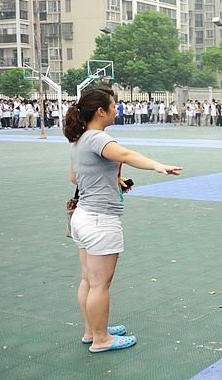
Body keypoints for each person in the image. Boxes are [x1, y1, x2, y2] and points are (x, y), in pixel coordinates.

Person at [64, 88, 182, 353]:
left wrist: (110, 180)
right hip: (100, 219)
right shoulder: (97, 138)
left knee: (88, 280)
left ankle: (92, 330)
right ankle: (101, 339)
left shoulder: (79, 139)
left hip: (83, 216)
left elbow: (75, 177)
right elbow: (126, 155)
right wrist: (157, 165)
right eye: (114, 106)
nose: (117, 109)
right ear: (100, 112)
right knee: (100, 284)